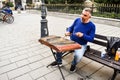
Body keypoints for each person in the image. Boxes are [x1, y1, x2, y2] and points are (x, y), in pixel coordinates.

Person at [51, 8, 96, 72]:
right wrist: (68, 31)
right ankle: (59, 62)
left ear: (90, 16)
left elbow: (91, 39)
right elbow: (71, 28)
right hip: (71, 41)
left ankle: (73, 65)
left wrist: (83, 35)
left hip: (81, 44)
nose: (82, 16)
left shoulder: (92, 26)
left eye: (85, 15)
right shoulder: (77, 20)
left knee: (78, 56)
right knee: (58, 47)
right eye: (82, 14)